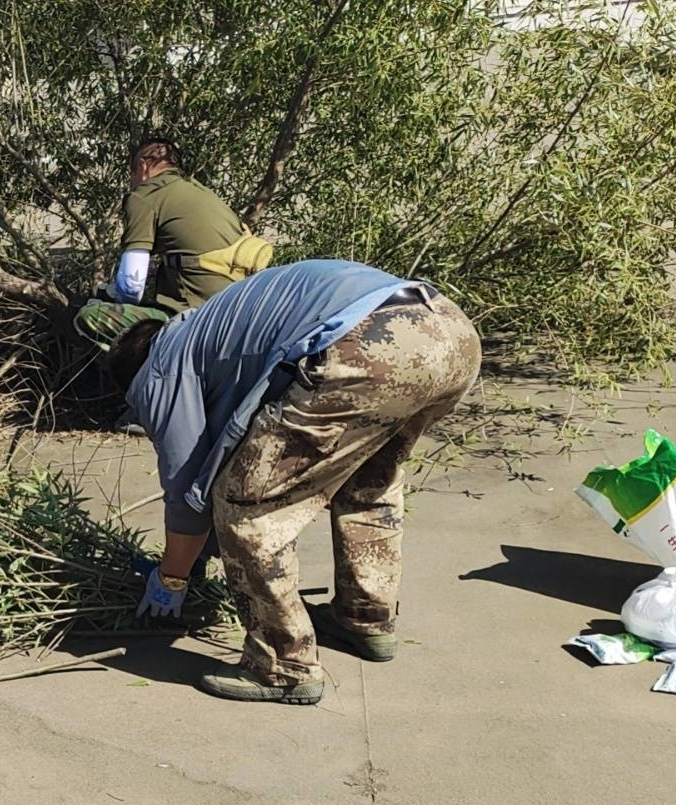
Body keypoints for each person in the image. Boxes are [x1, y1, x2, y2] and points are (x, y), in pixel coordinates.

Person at [116, 259, 482, 705]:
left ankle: (283, 666)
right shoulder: (211, 327)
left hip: (368, 344)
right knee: (367, 484)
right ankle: (364, 617)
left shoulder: (160, 367)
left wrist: (171, 578)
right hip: (449, 333)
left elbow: (189, 488)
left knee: (247, 505)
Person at [74, 138, 273, 355]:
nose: (133, 183)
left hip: (196, 321)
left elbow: (131, 287)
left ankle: (141, 383)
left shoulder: (146, 194)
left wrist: (108, 296)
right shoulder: (201, 193)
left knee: (90, 317)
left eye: (132, 175)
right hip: (239, 315)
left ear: (142, 166)